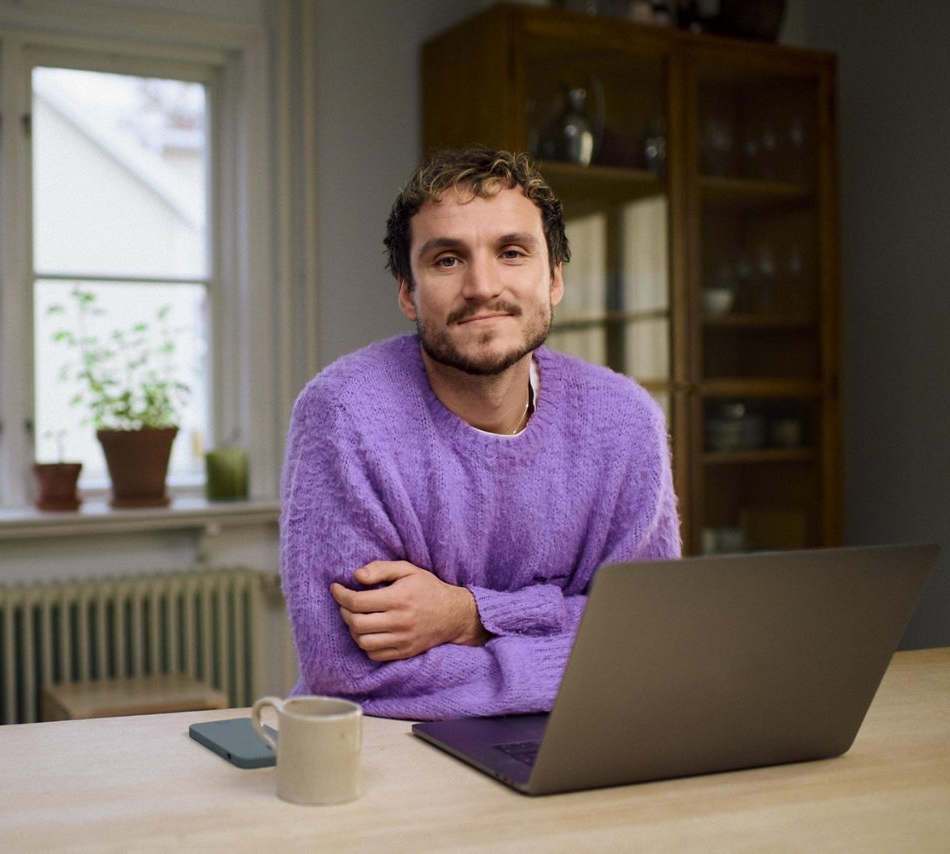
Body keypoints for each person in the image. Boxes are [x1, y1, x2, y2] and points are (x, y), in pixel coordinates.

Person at [279, 146, 681, 720]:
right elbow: (350, 675)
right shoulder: (344, 415)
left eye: (512, 252)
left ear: (555, 279)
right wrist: (570, 631)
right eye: (447, 260)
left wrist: (466, 616)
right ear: (407, 292)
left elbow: (652, 636)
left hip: (590, 734)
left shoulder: (624, 419)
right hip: (397, 755)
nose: (482, 286)